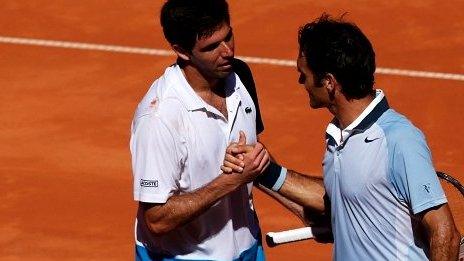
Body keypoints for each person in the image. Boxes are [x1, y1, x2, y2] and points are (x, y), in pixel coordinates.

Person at [223, 14, 461, 260]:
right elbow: (340, 197)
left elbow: (444, 233)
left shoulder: (399, 139)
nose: (300, 81)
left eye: (304, 74)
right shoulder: (338, 138)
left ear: (328, 82)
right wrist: (263, 170)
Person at [129, 0, 270, 260]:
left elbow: (253, 163)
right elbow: (157, 220)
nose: (227, 51)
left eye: (229, 36)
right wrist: (231, 180)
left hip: (248, 248)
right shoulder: (160, 118)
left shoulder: (240, 76)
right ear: (182, 51)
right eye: (212, 47)